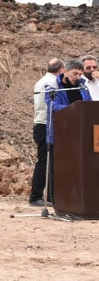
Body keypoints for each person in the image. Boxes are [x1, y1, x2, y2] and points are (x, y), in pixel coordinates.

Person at [44, 59, 90, 206]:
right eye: (74, 73)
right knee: (58, 169)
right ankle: (57, 199)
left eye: (80, 74)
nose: (77, 77)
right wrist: (73, 109)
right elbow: (52, 105)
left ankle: (75, 198)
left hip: (79, 135)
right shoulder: (54, 86)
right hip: (60, 133)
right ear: (65, 72)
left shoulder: (83, 86)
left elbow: (88, 105)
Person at [29, 58, 64, 206]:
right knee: (45, 161)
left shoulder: (41, 81)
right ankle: (36, 196)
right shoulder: (52, 83)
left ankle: (47, 196)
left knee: (47, 161)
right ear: (61, 69)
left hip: (40, 123)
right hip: (45, 124)